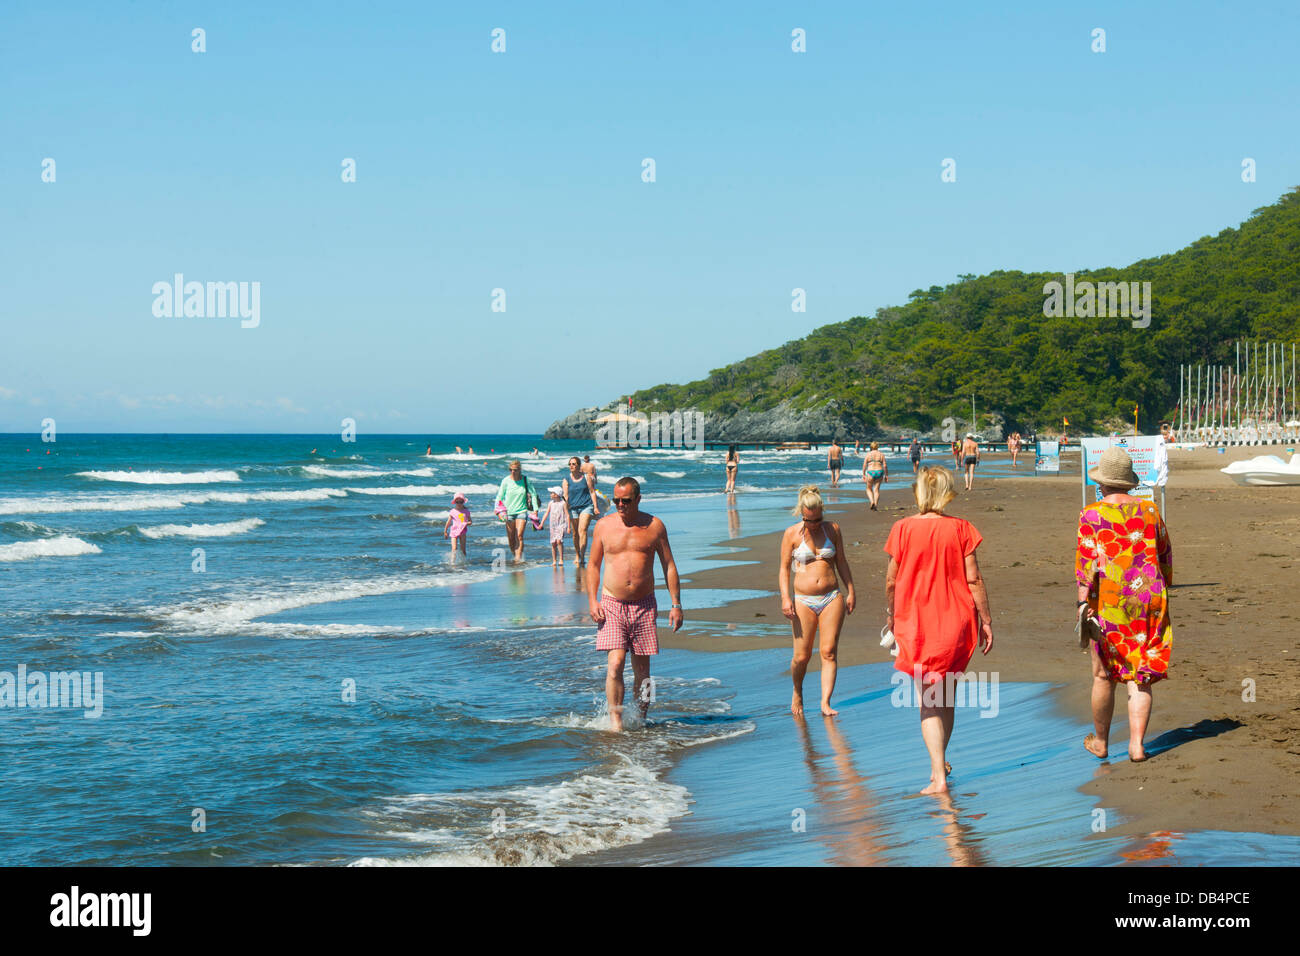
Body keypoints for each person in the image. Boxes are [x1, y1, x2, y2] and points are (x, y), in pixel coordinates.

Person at [885, 467, 993, 794]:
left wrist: (891, 615)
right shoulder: (961, 528)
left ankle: (939, 777)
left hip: (917, 621)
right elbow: (973, 578)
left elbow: (892, 579)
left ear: (919, 491)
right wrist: (986, 620)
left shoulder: (902, 529)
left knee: (929, 701)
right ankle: (939, 767)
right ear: (947, 492)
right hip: (958, 620)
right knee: (946, 696)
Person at [1076, 448, 1173, 763]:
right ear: (1129, 483)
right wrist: (1165, 583)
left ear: (1102, 483)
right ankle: (1136, 746)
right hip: (1149, 596)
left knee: (1104, 674)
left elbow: (1085, 567)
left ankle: (1102, 743)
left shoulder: (1091, 514)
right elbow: (1165, 552)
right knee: (1140, 673)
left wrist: (1083, 604)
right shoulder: (1149, 510)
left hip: (1111, 599)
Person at [587, 477, 683, 732]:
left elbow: (669, 565)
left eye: (626, 501)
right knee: (616, 663)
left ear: (638, 499)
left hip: (644, 605)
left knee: (643, 670)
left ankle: (640, 718)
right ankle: (616, 722)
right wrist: (591, 600)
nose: (620, 505)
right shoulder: (604, 526)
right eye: (616, 500)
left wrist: (676, 604)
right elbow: (594, 565)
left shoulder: (654, 526)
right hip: (611, 602)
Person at [779, 486, 856, 717]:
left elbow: (841, 561)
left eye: (817, 519)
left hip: (832, 596)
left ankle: (825, 702)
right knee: (802, 656)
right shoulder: (791, 534)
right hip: (803, 600)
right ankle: (797, 691)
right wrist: (785, 598)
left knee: (829, 651)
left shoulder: (833, 529)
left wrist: (851, 590)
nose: (813, 524)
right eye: (808, 520)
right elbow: (784, 569)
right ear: (801, 513)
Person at [496, 460, 543, 562]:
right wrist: (498, 511)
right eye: (511, 470)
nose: (513, 472)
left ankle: (518, 559)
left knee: (519, 536)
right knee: (511, 539)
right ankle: (515, 555)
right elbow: (499, 497)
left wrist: (535, 510)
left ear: (520, 470)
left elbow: (533, 495)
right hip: (508, 513)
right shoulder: (506, 481)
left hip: (522, 511)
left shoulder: (526, 480)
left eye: (515, 470)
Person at [563, 456, 599, 566]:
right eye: (570, 464)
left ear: (579, 465)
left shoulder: (586, 477)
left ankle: (582, 556)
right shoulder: (566, 479)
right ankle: (577, 554)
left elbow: (592, 492)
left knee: (582, 530)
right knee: (575, 534)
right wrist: (566, 508)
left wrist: (595, 507)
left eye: (573, 464)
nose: (571, 466)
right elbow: (565, 495)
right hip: (573, 508)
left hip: (586, 506)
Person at [543, 487, 570, 566]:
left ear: (557, 495)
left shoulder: (563, 503)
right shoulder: (551, 503)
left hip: (561, 524)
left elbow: (567, 515)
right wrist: (541, 523)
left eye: (552, 493)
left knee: (559, 541)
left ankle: (561, 559)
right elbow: (546, 513)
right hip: (553, 525)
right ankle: (554, 560)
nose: (551, 494)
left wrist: (568, 527)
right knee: (553, 543)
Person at [443, 492, 472, 559]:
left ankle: (464, 562)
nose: (459, 504)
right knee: (454, 549)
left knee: (463, 550)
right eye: (457, 502)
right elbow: (448, 522)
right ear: (455, 502)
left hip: (462, 532)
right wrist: (445, 531)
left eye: (461, 502)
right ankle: (453, 562)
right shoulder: (452, 511)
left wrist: (466, 523)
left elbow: (470, 522)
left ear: (463, 502)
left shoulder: (466, 511)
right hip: (454, 531)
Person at [861, 442, 888, 511]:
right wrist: (886, 475)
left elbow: (864, 465)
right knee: (876, 490)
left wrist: (863, 474)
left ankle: (872, 501)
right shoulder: (881, 454)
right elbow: (885, 465)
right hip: (879, 472)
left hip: (870, 472)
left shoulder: (868, 454)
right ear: (877, 446)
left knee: (868, 489)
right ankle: (875, 504)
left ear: (871, 447)